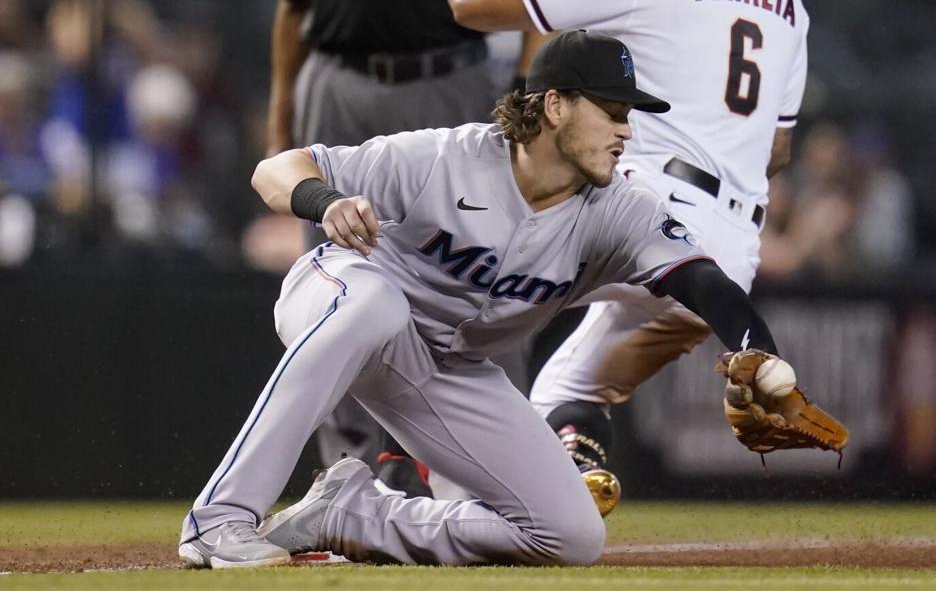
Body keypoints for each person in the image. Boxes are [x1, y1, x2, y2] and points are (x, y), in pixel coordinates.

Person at [178, 31, 789, 568]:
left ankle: (351, 515)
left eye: (628, 115)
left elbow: (700, 280)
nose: (627, 130)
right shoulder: (447, 158)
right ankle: (219, 520)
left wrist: (758, 353)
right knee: (376, 305)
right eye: (611, 111)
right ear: (555, 105)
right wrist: (326, 201)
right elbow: (275, 170)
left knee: (571, 534)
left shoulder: (619, 210)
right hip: (341, 292)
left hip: (446, 367)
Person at [442, 0, 808, 486]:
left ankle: (401, 471)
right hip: (729, 254)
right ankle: (579, 469)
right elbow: (777, 152)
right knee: (564, 395)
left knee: (437, 278)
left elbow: (474, 2)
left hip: (641, 212)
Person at [267, 0, 556, 491]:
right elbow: (295, 2)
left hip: (449, 85)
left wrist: (526, 97)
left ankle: (494, 470)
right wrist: (282, 108)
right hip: (335, 86)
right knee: (335, 281)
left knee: (475, 274)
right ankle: (349, 475)